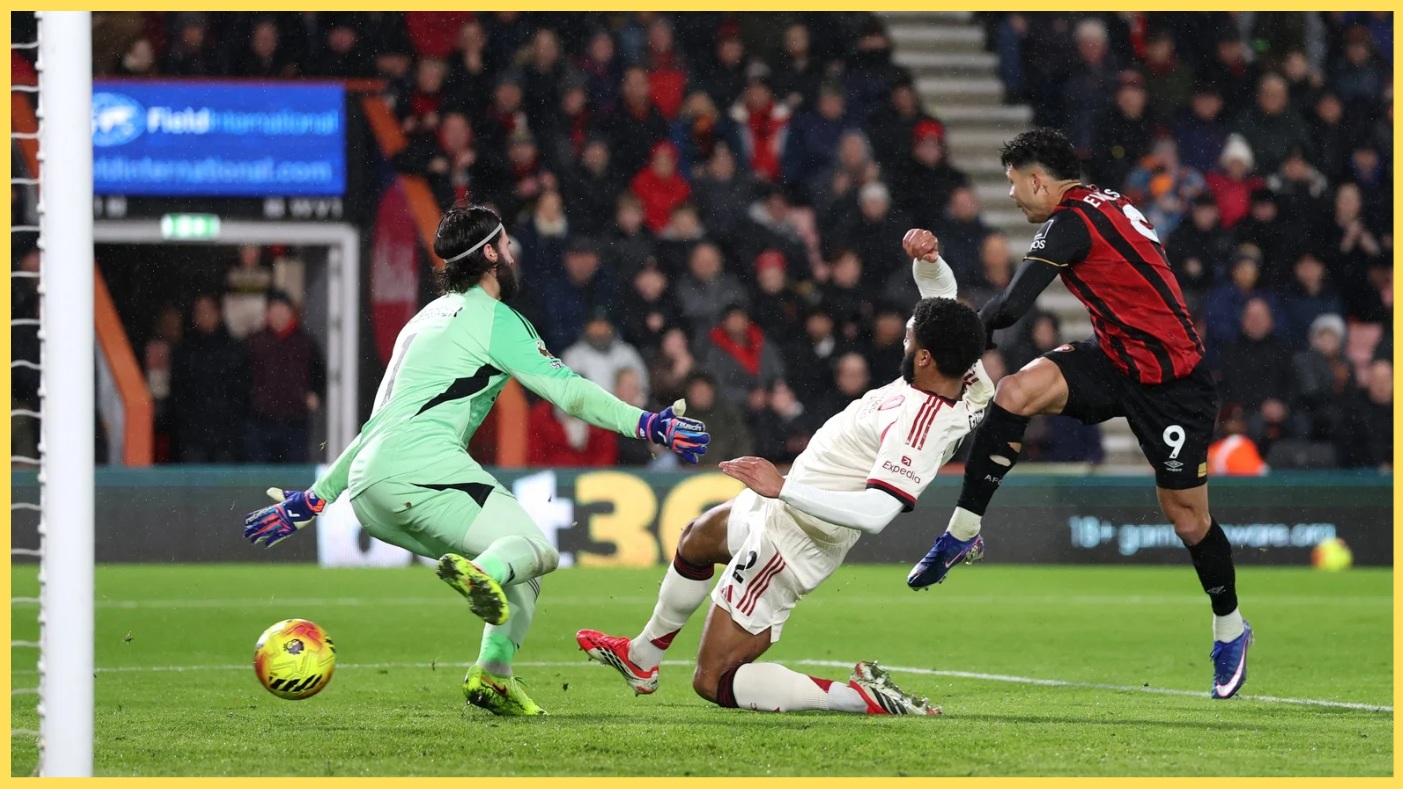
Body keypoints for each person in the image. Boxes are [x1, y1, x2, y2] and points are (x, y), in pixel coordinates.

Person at [241, 205, 709, 717]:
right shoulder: (496, 320)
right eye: (506, 245)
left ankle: (493, 674)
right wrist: (647, 423)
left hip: (369, 489)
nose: (512, 255)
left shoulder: (423, 320)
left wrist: (314, 498)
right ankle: (481, 573)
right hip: (422, 468)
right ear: (489, 255)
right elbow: (569, 392)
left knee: (521, 567)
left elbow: (378, 424)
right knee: (537, 549)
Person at [575, 234, 992, 716]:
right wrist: (930, 262)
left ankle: (861, 699)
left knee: (713, 680)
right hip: (785, 502)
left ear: (924, 358)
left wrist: (784, 488)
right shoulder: (963, 373)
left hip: (794, 537)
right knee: (697, 538)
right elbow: (942, 300)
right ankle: (643, 656)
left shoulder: (919, 427)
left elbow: (877, 512)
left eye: (910, 336)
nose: (904, 337)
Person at [908, 128, 1253, 700]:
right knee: (1014, 393)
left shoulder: (1072, 220)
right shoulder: (1105, 202)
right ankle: (962, 533)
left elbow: (1012, 307)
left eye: (1014, 183)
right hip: (1117, 361)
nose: (1012, 194)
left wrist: (953, 337)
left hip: (1173, 385)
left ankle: (1231, 629)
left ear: (1038, 180)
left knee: (1187, 518)